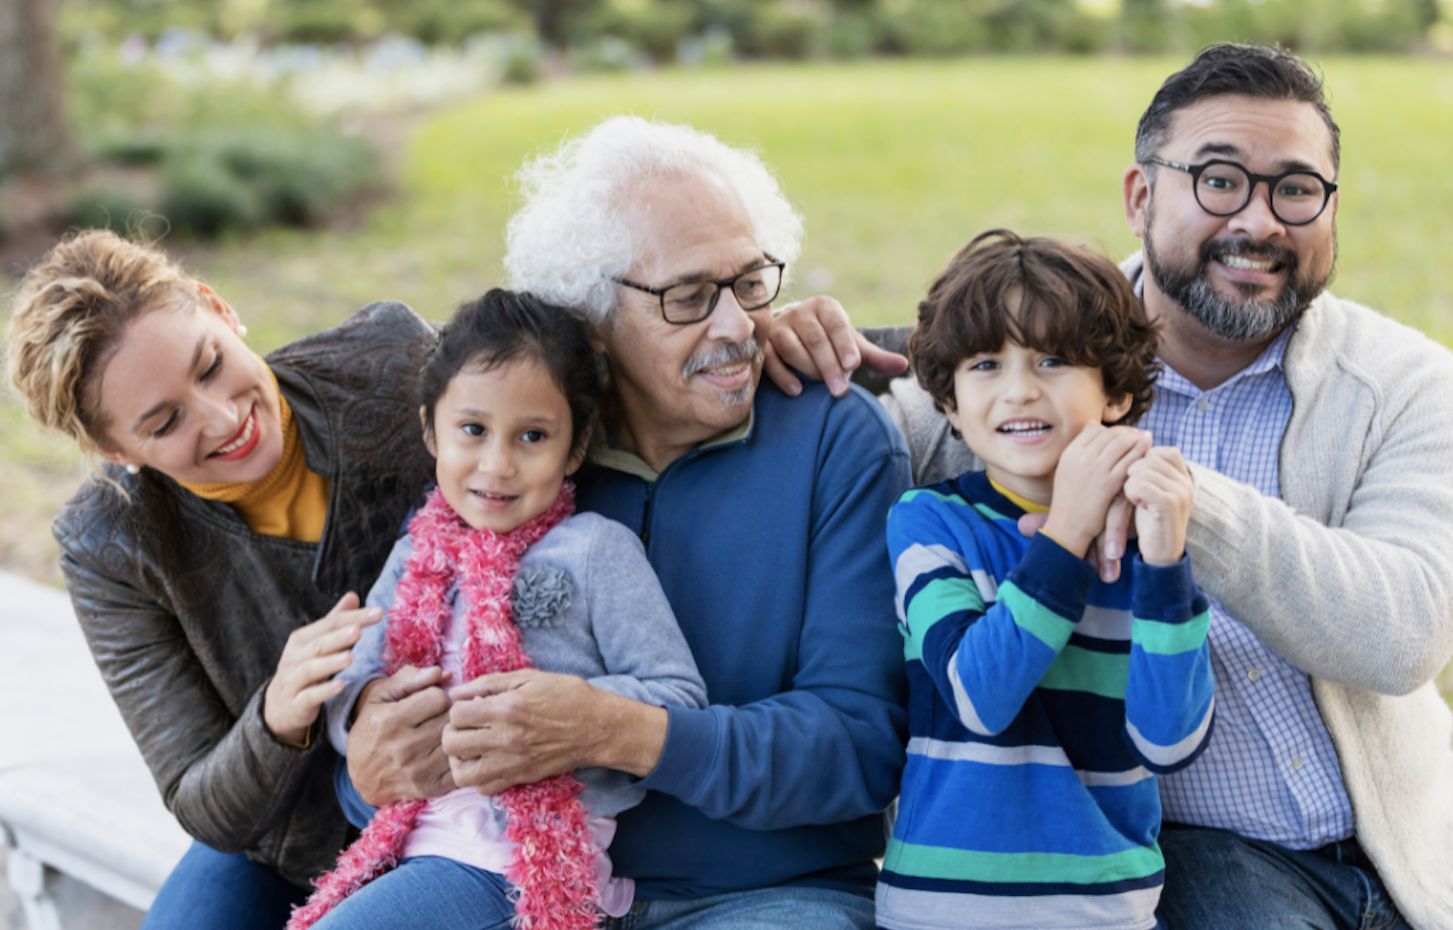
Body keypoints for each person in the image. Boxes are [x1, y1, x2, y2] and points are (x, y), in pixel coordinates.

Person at [767, 43, 1453, 930]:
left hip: (1411, 864)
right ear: (1140, 196)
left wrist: (1178, 497)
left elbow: (1403, 635)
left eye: (1296, 189)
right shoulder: (1013, 403)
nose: (1261, 220)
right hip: (1201, 856)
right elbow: (925, 369)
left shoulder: (1405, 385)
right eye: (1219, 180)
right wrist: (781, 330)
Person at [341, 116, 913, 929]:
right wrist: (368, 760)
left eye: (752, 283)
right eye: (689, 297)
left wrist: (620, 730)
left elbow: (858, 747)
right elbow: (402, 719)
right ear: (590, 321)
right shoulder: (521, 457)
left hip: (771, 893)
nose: (736, 327)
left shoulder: (834, 436)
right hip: (510, 878)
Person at [5, 230, 439, 929]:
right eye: (165, 422)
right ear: (118, 450)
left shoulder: (392, 364)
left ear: (217, 305)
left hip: (466, 790)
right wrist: (276, 716)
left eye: (209, 366)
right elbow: (200, 800)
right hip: (295, 839)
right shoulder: (108, 546)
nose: (222, 417)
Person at [286, 288, 707, 930]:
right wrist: (373, 709)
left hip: (515, 862)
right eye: (473, 430)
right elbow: (352, 687)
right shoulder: (415, 552)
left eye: (532, 436)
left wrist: (567, 711)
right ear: (431, 427)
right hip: (412, 843)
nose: (497, 464)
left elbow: (679, 697)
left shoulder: (595, 551)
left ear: (574, 448)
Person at [877, 230, 1214, 930]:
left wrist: (1165, 567)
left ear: (1117, 393)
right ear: (948, 404)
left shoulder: (1147, 544)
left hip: (1106, 910)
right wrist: (1068, 534)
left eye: (1054, 360)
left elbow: (1169, 742)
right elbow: (980, 693)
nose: (1020, 389)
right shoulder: (932, 524)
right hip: (943, 909)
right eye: (986, 364)